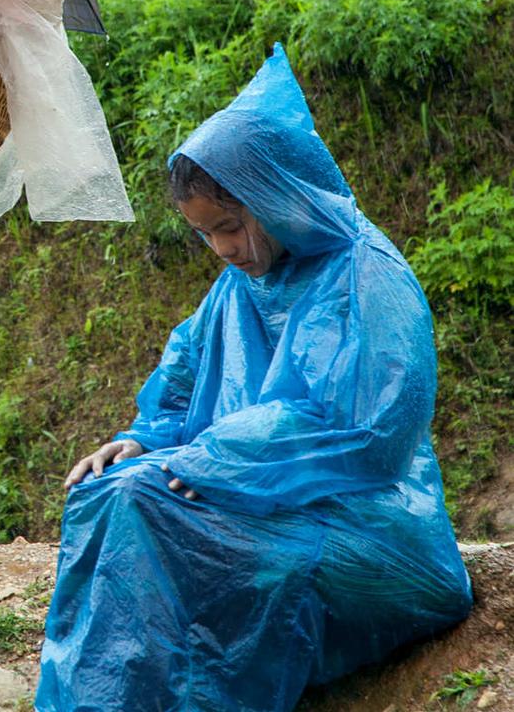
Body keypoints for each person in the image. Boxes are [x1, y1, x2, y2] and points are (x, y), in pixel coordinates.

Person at [36, 46, 472, 710]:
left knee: (147, 508)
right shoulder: (246, 280)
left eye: (230, 227)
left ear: (278, 197)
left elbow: (361, 431)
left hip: (371, 529)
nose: (222, 250)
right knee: (105, 491)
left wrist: (219, 460)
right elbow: (185, 368)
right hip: (260, 492)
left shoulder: (365, 276)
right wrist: (146, 439)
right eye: (206, 234)